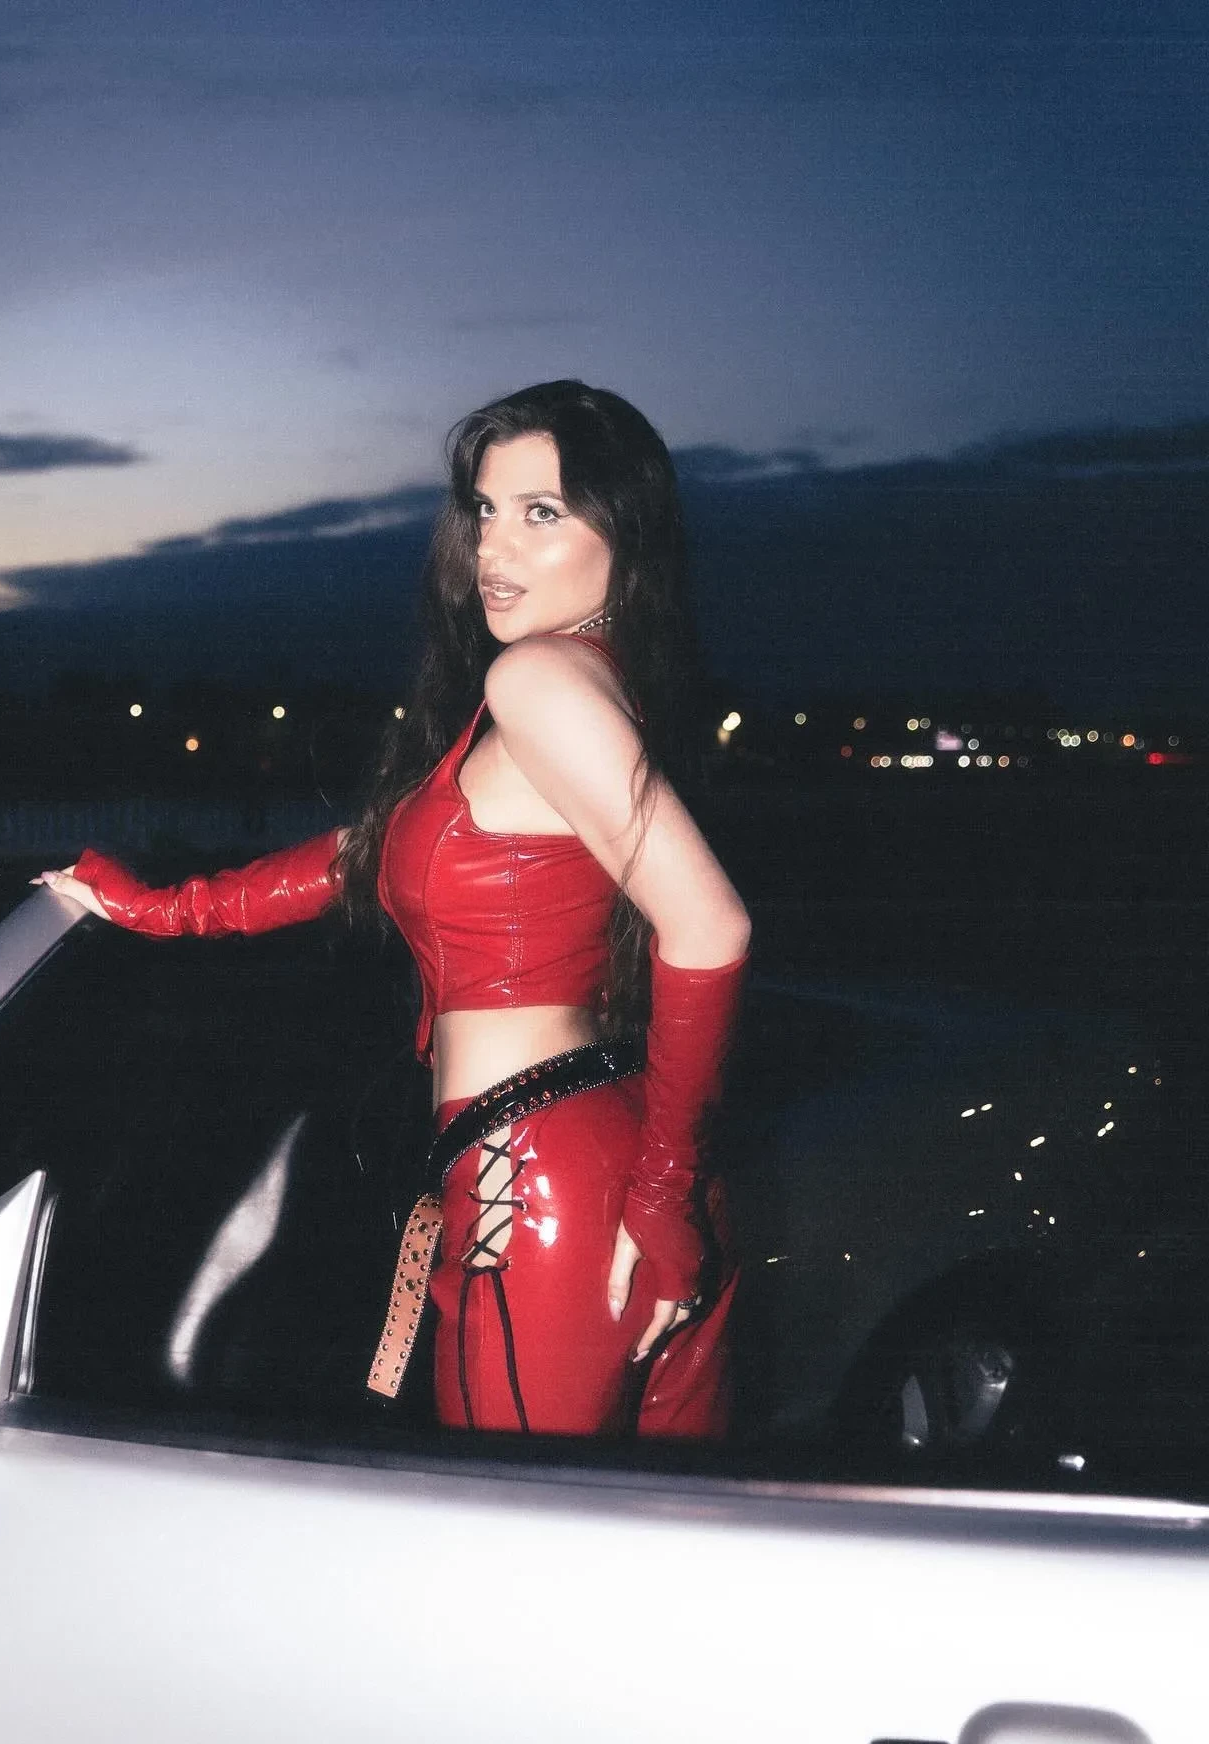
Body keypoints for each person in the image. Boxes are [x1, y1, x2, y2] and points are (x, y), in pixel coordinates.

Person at [36, 378, 751, 1437]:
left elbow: (710, 925)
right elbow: (374, 855)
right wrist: (170, 910)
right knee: (647, 1524)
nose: (493, 547)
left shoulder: (539, 681)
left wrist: (662, 1196)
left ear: (625, 534)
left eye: (541, 513)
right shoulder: (587, 683)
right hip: (590, 1148)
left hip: (542, 1185)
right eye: (486, 510)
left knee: (504, 1528)